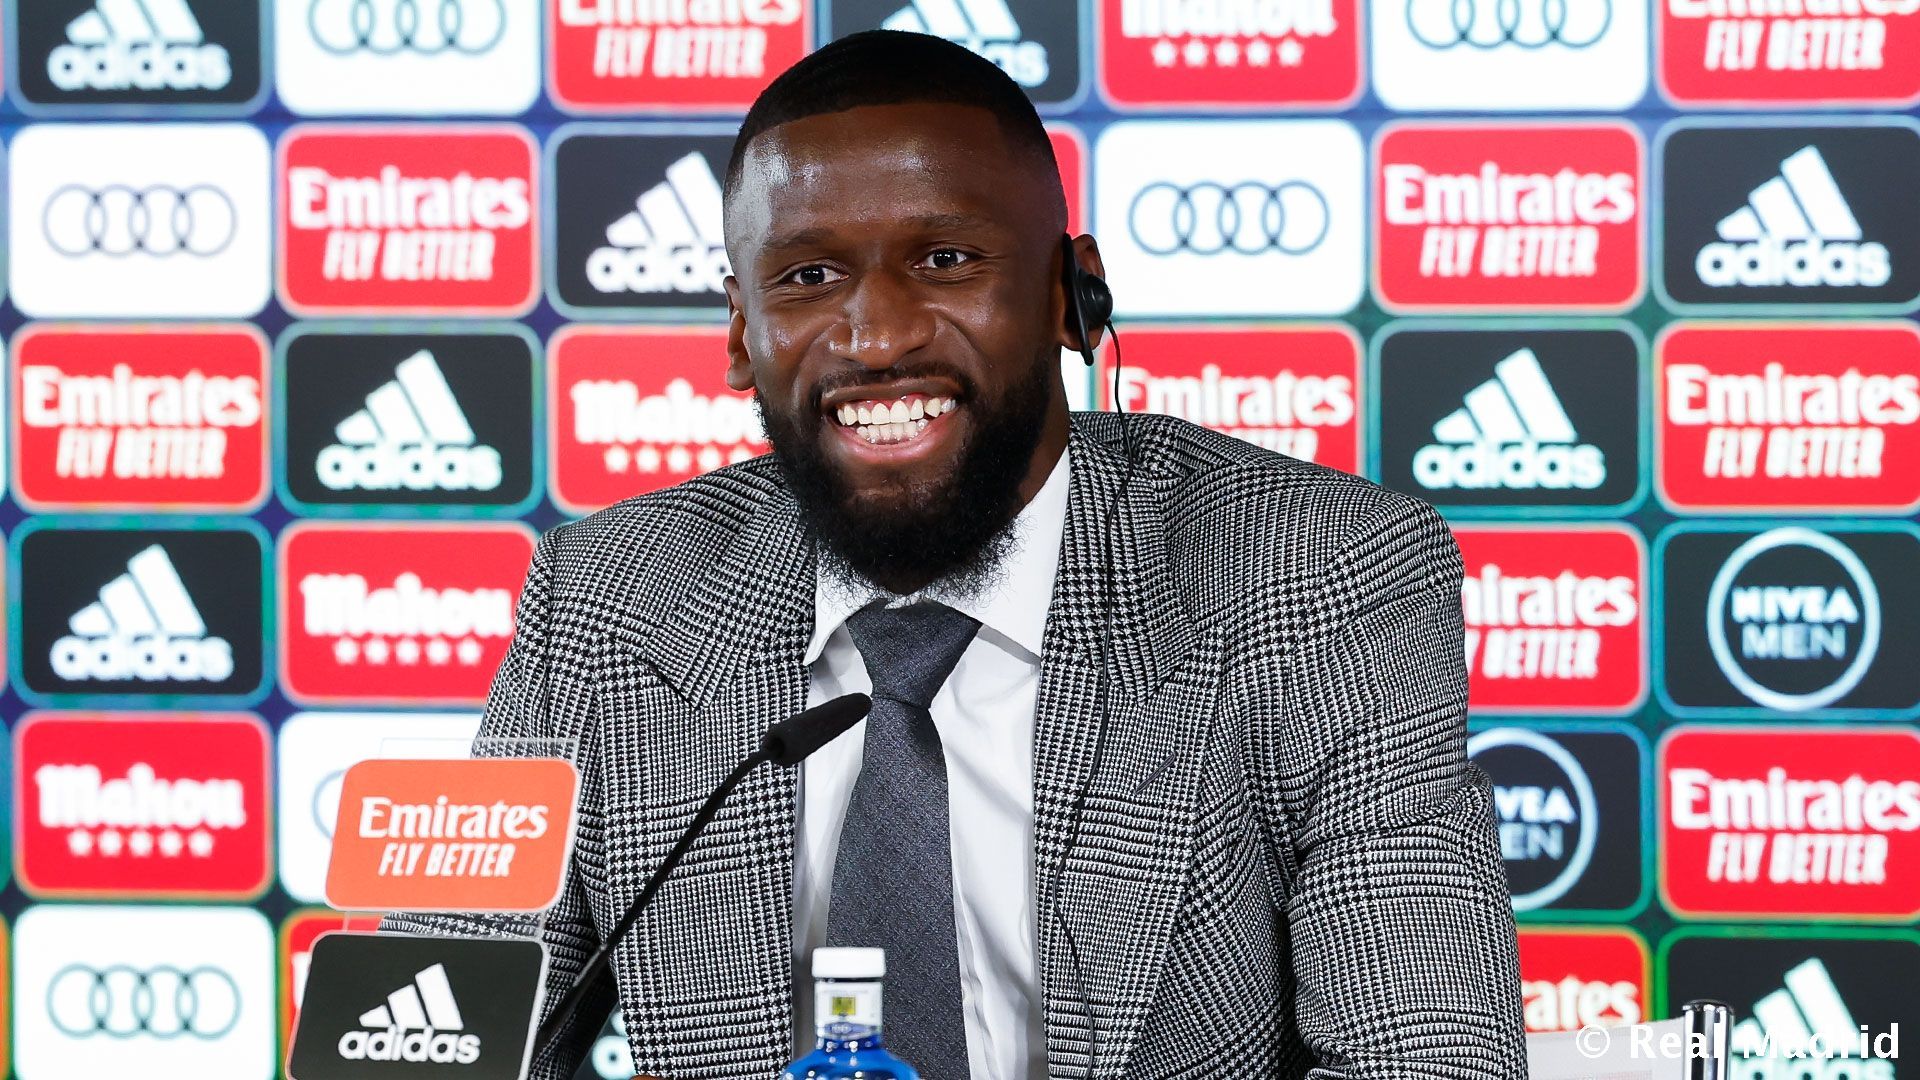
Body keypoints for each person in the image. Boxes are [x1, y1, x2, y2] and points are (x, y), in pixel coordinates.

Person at [390, 29, 1526, 1080]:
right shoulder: (606, 600)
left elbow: (1423, 1055)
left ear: (1073, 298)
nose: (875, 336)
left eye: (943, 259)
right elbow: (427, 1039)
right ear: (742, 332)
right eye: (807, 278)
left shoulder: (1314, 574)